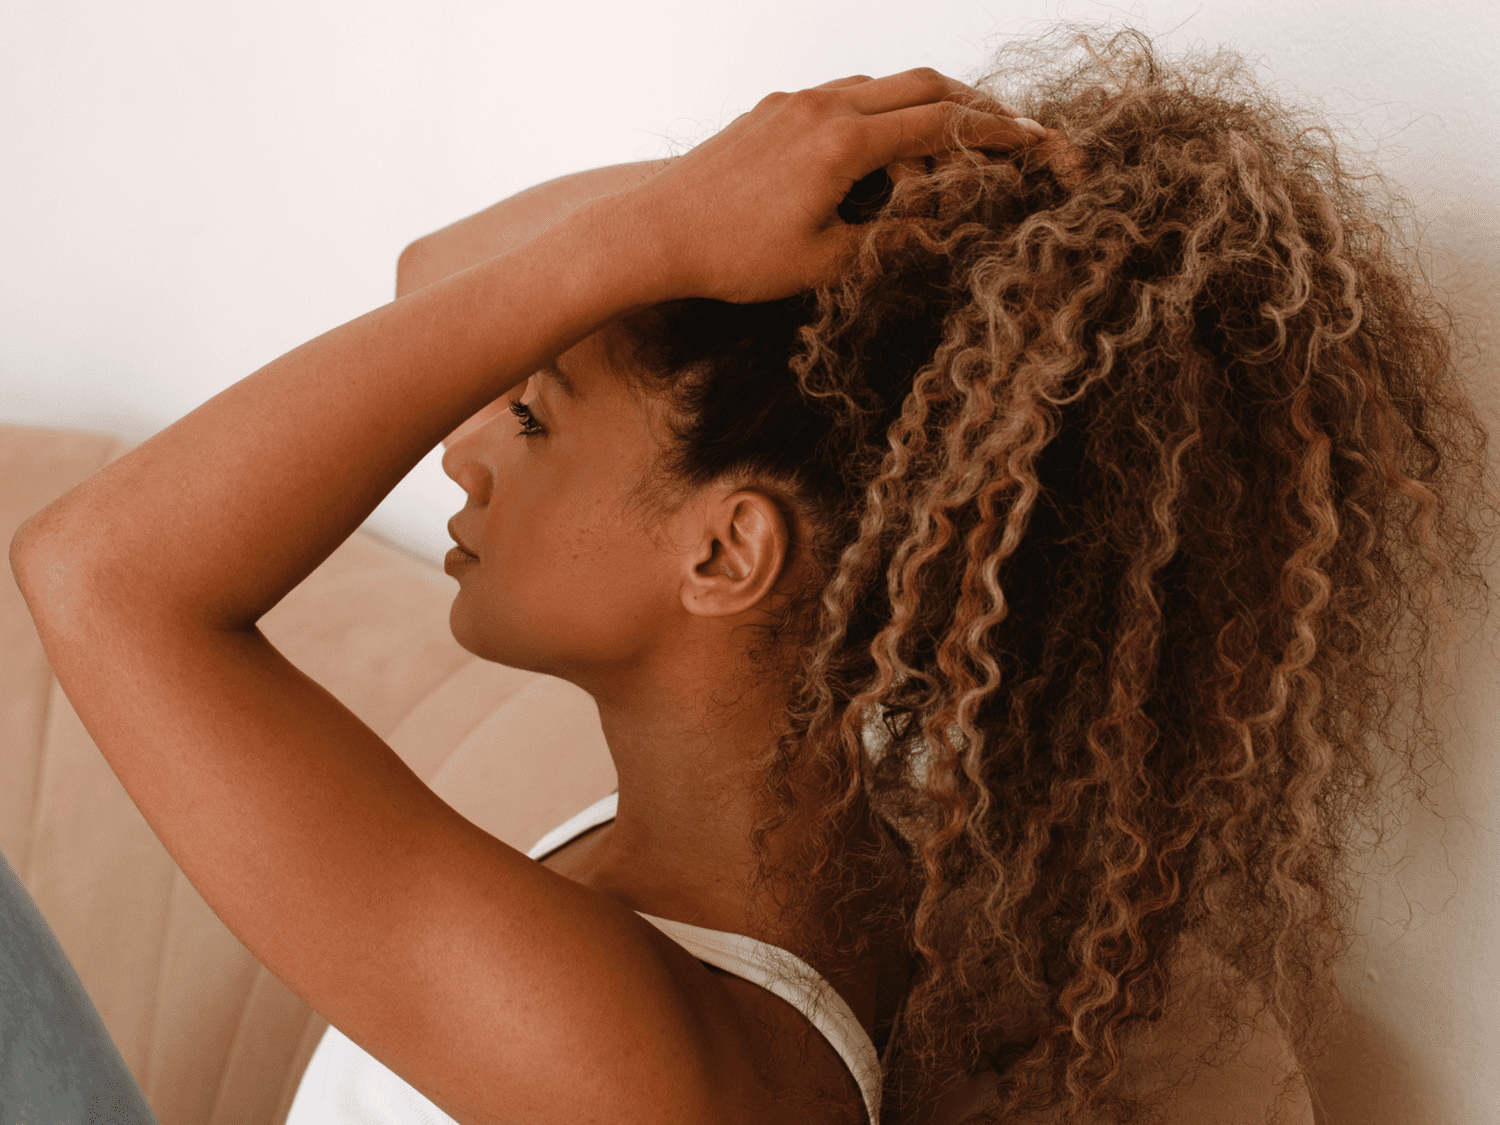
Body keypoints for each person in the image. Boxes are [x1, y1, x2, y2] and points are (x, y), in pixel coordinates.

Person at [8, 26, 1493, 1125]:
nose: (460, 451)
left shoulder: (624, 1056)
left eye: (530, 419)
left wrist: (658, 232)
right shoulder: (839, 802)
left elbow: (97, 571)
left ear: (728, 552)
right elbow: (434, 276)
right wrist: (764, 206)